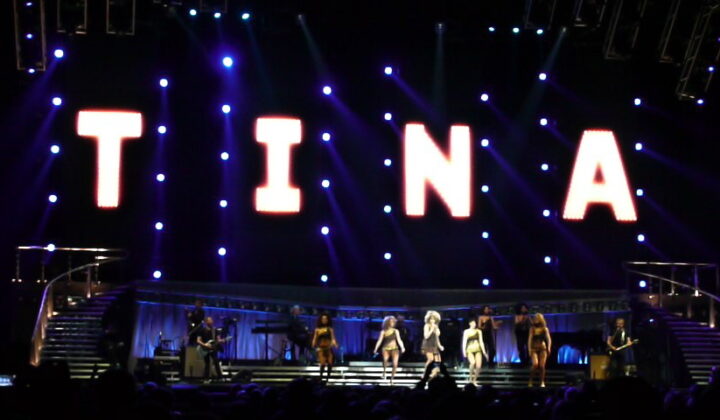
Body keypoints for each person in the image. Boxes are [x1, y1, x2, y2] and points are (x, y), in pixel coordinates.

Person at [373, 315, 406, 385]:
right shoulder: (383, 331)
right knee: (385, 361)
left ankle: (392, 379)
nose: (392, 323)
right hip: (385, 348)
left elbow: (399, 340)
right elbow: (379, 341)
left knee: (395, 364)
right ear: (387, 322)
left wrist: (402, 347)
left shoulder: (396, 331)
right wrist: (376, 348)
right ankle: (384, 372)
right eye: (391, 321)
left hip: (395, 349)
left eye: (393, 321)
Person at [196, 317, 228, 381]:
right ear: (206, 322)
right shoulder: (202, 330)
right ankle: (206, 378)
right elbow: (198, 340)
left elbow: (218, 339)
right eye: (210, 320)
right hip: (205, 348)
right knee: (207, 364)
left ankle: (220, 377)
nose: (211, 321)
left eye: (212, 320)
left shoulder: (215, 330)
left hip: (213, 348)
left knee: (216, 362)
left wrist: (222, 340)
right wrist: (204, 345)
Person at [311, 313, 338, 382]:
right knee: (322, 363)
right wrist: (313, 345)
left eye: (325, 319)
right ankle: (321, 377)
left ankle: (328, 378)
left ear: (327, 320)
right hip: (321, 348)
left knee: (330, 362)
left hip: (328, 348)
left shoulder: (330, 329)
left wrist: (335, 343)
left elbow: (333, 338)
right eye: (323, 319)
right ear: (320, 320)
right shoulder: (317, 329)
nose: (324, 320)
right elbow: (315, 338)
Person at [528, 313, 552, 387]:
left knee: (542, 366)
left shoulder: (545, 329)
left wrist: (549, 347)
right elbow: (529, 339)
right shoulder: (532, 329)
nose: (535, 320)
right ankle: (530, 380)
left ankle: (542, 382)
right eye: (535, 318)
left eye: (537, 318)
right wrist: (529, 349)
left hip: (543, 348)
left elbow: (548, 339)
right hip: (534, 348)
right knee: (535, 364)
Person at [462, 318, 487, 386]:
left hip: (478, 349)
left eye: (475, 323)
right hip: (469, 349)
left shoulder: (479, 331)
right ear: (469, 323)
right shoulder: (466, 331)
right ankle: (470, 379)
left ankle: (474, 380)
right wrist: (463, 351)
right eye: (472, 323)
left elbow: (481, 342)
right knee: (472, 362)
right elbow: (464, 342)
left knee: (478, 366)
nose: (474, 324)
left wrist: (484, 352)